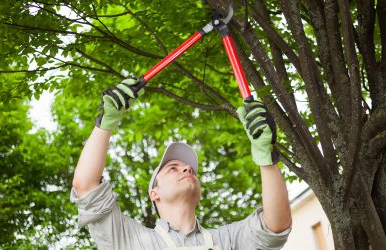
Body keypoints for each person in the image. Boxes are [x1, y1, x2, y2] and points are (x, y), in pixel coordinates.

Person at [71, 79, 292, 249]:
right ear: (154, 193)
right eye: (172, 168)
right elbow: (86, 187)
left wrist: (266, 158)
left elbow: (275, 227)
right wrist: (105, 123)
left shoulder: (226, 241)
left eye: (190, 169)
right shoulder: (129, 240)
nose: (187, 169)